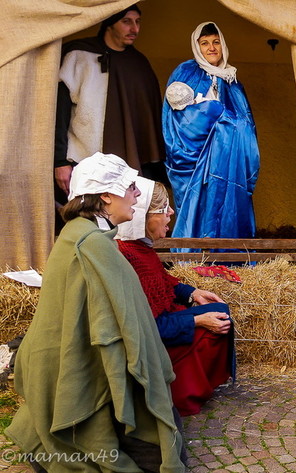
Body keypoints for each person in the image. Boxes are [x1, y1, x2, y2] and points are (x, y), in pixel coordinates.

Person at [6, 153, 185, 472]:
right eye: (131, 187)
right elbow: (111, 335)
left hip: (69, 365)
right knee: (163, 455)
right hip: (75, 376)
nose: (137, 195)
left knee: (168, 441)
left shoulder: (85, 235)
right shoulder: (90, 244)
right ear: (105, 196)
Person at [116, 177, 236, 416]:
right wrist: (198, 321)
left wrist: (193, 292)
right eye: (164, 209)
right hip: (153, 341)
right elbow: (150, 327)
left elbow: (164, 281)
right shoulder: (128, 255)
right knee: (217, 321)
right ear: (144, 217)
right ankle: (180, 396)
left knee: (221, 311)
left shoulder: (141, 248)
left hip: (166, 321)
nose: (171, 212)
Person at [54, 4, 167, 201]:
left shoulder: (139, 65)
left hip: (127, 171)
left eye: (138, 22)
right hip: (82, 162)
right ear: (109, 23)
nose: (135, 29)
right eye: (126, 22)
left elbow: (148, 124)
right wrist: (59, 161)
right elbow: (58, 115)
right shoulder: (79, 56)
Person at [162, 21, 260, 246]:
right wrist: (214, 113)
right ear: (197, 47)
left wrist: (231, 127)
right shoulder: (185, 72)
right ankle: (195, 263)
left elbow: (246, 124)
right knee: (198, 211)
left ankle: (230, 261)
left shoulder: (232, 82)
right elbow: (179, 119)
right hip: (194, 162)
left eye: (216, 42)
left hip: (228, 162)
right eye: (204, 43)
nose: (211, 48)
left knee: (228, 209)